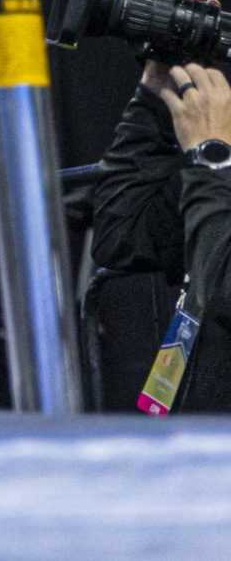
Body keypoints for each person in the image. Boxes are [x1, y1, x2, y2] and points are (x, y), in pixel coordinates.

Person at [88, 36, 231, 413]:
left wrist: (212, 161)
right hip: (197, 454)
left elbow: (221, 293)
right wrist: (155, 97)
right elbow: (121, 236)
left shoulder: (218, 164)